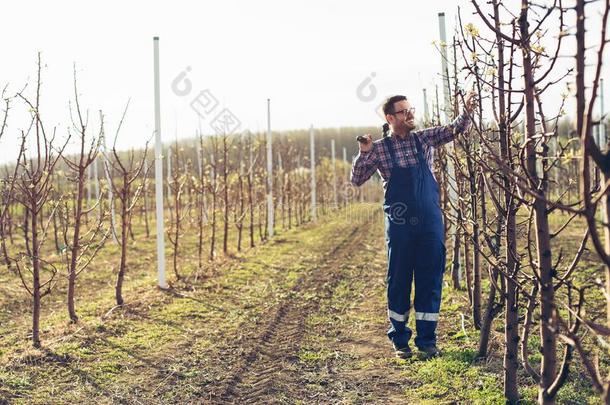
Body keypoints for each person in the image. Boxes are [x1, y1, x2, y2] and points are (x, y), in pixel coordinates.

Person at [351, 92, 476, 359]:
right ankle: (399, 339)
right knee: (399, 279)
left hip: (429, 221)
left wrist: (466, 111)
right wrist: (364, 153)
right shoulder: (381, 149)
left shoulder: (424, 138)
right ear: (390, 118)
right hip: (400, 222)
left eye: (410, 109)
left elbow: (454, 129)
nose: (410, 114)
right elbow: (358, 179)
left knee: (430, 278)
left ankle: (427, 341)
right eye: (404, 111)